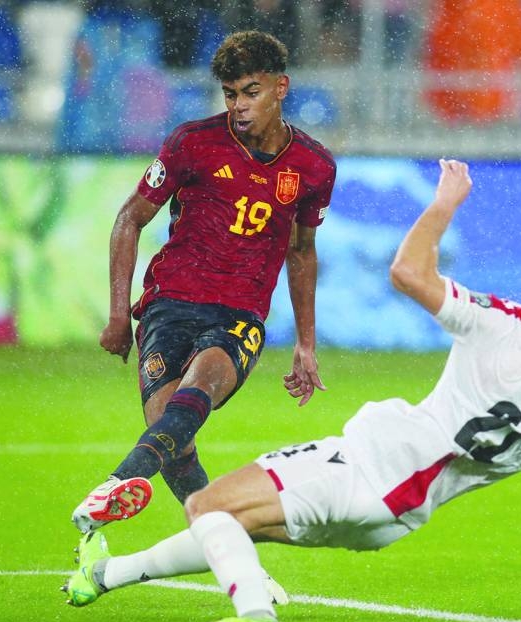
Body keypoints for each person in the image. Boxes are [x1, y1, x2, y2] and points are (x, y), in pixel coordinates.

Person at [62, 159, 521, 622]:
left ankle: (253, 610)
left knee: (207, 505)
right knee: (233, 524)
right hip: (399, 519)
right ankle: (104, 574)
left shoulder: (506, 322)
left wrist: (444, 203)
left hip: (369, 462)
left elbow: (408, 270)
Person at [70, 30, 336, 532]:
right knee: (174, 438)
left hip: (239, 314)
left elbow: (302, 251)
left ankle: (120, 481)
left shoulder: (314, 166)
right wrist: (116, 314)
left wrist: (306, 342)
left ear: (281, 87)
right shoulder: (193, 142)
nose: (239, 106)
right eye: (230, 94)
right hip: (168, 303)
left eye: (250, 92)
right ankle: (233, 551)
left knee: (199, 390)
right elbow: (129, 219)